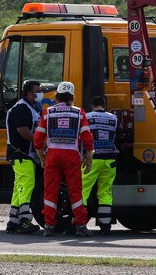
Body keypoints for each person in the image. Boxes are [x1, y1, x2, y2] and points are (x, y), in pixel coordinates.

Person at [34, 81, 94, 237]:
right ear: (72, 96)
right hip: (71, 156)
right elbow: (87, 137)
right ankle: (80, 225)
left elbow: (38, 138)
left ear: (57, 96)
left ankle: (48, 226)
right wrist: (89, 158)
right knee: (75, 191)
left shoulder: (48, 113)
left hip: (53, 155)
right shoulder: (79, 113)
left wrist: (42, 157)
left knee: (50, 191)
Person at [4, 80, 43, 234]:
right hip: (21, 154)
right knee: (26, 186)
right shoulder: (22, 108)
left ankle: (13, 221)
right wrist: (39, 142)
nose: (40, 93)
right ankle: (25, 221)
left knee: (18, 188)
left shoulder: (30, 107)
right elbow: (22, 130)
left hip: (24, 155)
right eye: (37, 91)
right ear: (29, 93)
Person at [82, 96, 119, 235]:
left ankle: (79, 223)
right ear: (104, 105)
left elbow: (83, 136)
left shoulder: (87, 116)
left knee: (83, 190)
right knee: (105, 192)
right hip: (110, 159)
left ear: (92, 106)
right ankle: (105, 225)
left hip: (93, 159)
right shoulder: (113, 118)